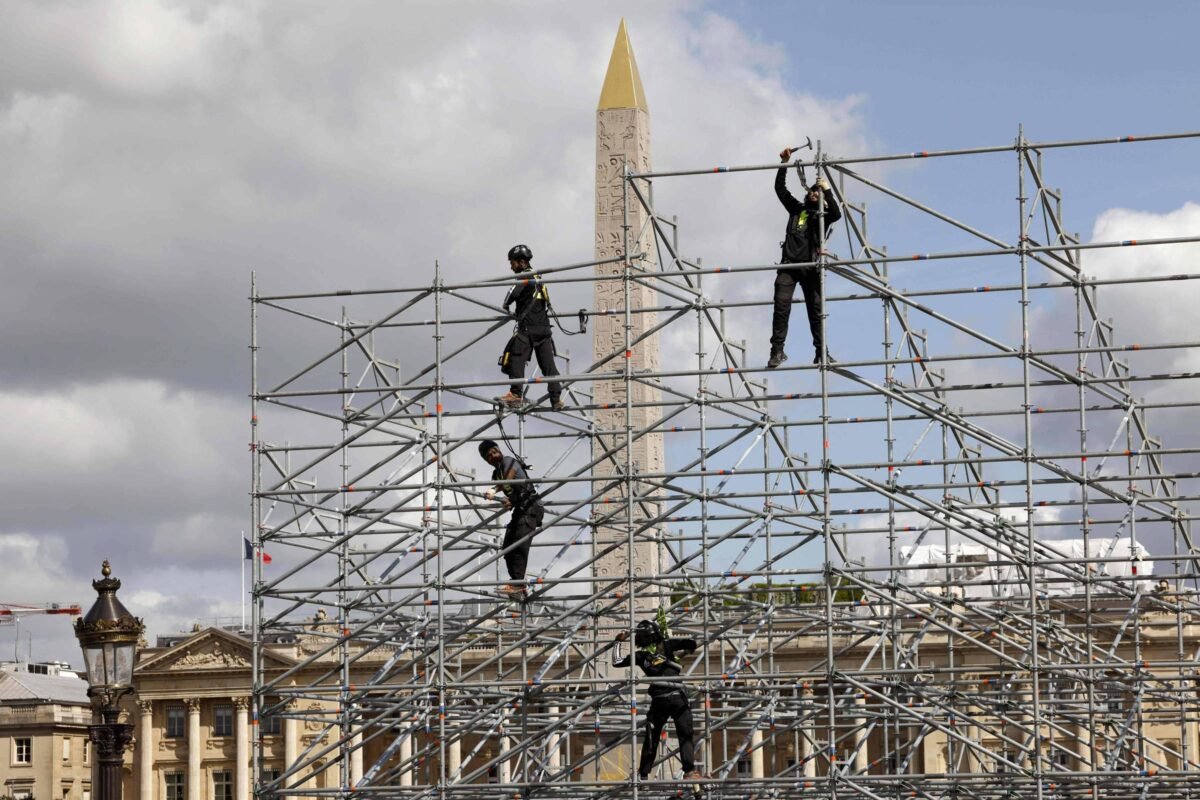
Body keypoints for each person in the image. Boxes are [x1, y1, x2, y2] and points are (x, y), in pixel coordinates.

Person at [768, 147, 842, 369]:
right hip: (789, 266)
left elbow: (837, 214)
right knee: (781, 308)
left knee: (816, 311)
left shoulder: (823, 217)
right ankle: (777, 351)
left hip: (810, 268)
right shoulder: (796, 210)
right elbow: (780, 189)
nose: (813, 193)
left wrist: (827, 190)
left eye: (816, 192)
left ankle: (821, 352)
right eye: (811, 190)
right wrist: (784, 163)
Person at [613, 619, 703, 781]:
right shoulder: (666, 645)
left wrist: (618, 642)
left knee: (652, 739)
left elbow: (616, 662)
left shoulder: (640, 656)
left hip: (659, 701)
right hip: (677, 697)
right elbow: (690, 642)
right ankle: (689, 771)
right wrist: (689, 648)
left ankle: (644, 774)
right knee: (685, 735)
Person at [498, 244, 564, 410]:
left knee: (516, 357)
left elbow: (512, 294)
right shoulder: (539, 278)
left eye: (512, 262)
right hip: (544, 329)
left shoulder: (524, 276)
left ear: (520, 262)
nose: (510, 266)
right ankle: (556, 399)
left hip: (528, 328)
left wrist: (506, 306)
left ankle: (515, 395)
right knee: (549, 366)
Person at [478, 439, 543, 595]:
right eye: (489, 455)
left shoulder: (508, 462)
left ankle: (517, 584)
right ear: (486, 460)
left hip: (531, 507)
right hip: (521, 509)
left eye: (495, 451)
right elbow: (511, 491)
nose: (493, 455)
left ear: (499, 450)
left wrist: (494, 490)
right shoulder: (496, 473)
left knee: (519, 545)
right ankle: (517, 585)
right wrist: (509, 501)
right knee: (508, 547)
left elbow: (508, 479)